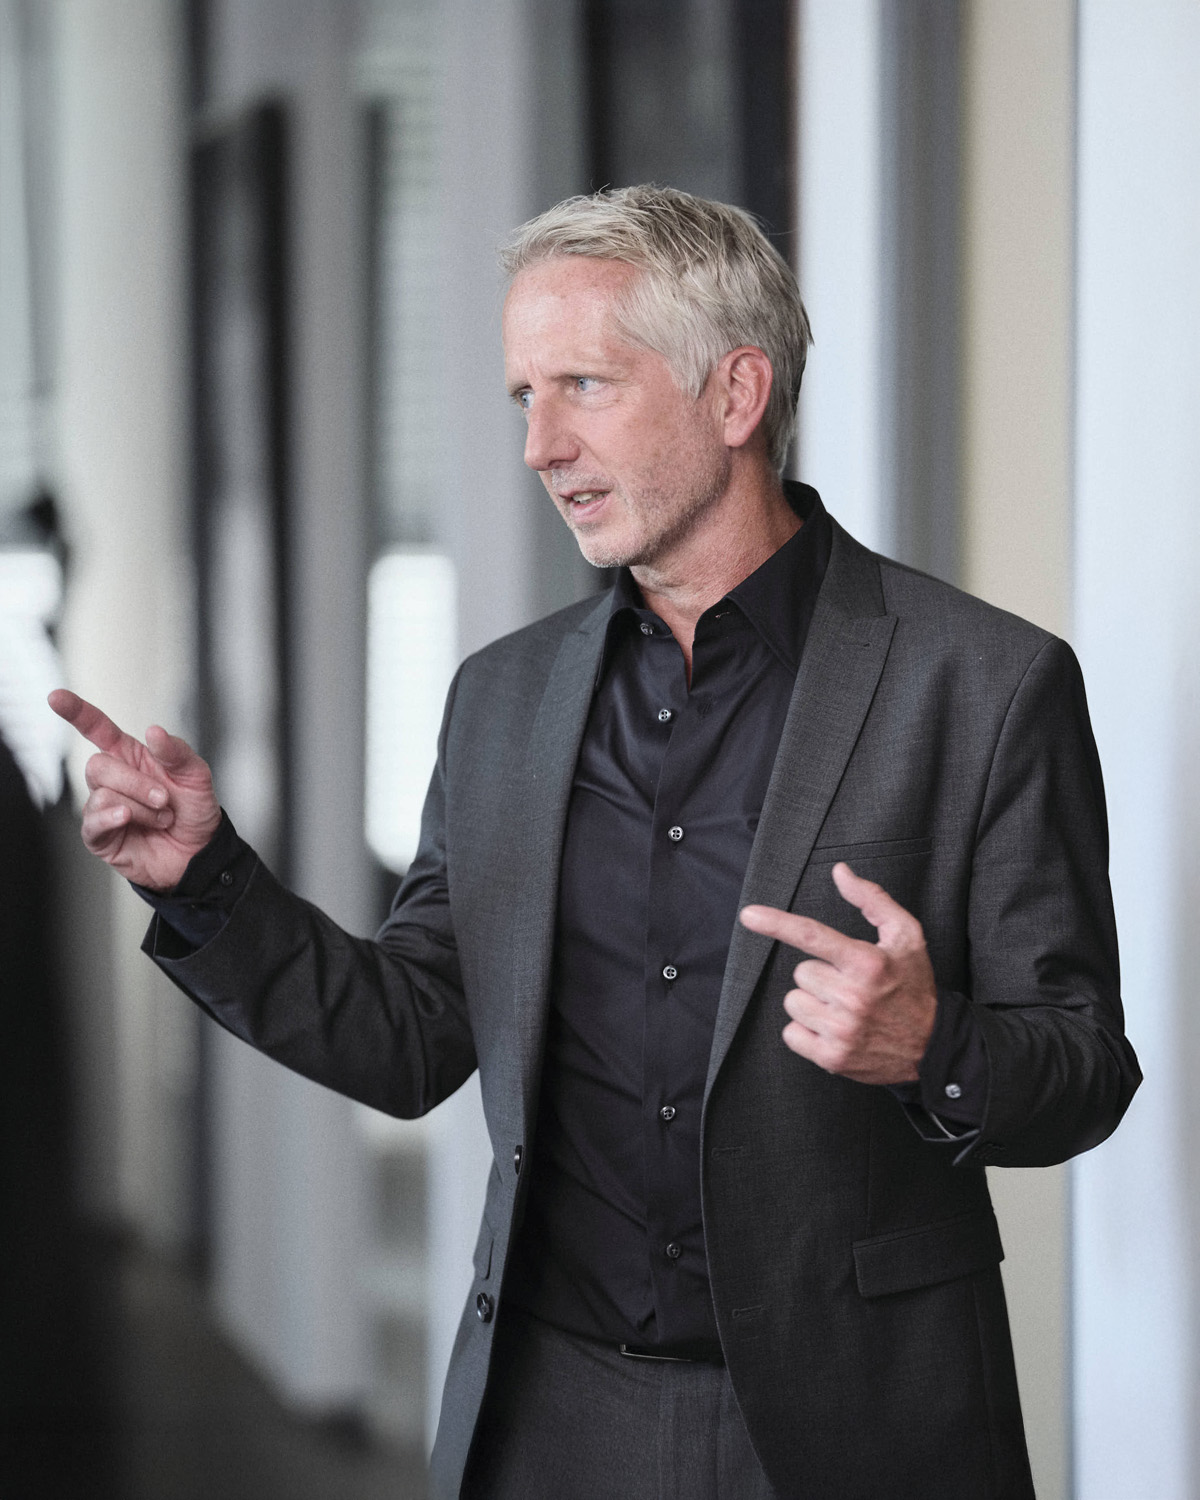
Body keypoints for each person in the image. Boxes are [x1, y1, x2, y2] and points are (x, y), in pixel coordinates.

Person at [51, 185, 1140, 1500]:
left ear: (735, 395)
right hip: (548, 1420)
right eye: (525, 396)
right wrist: (205, 881)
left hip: (853, 1425)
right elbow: (414, 1036)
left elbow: (1086, 1068)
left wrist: (933, 1045)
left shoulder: (985, 684)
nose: (539, 444)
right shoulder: (501, 700)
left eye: (582, 386)